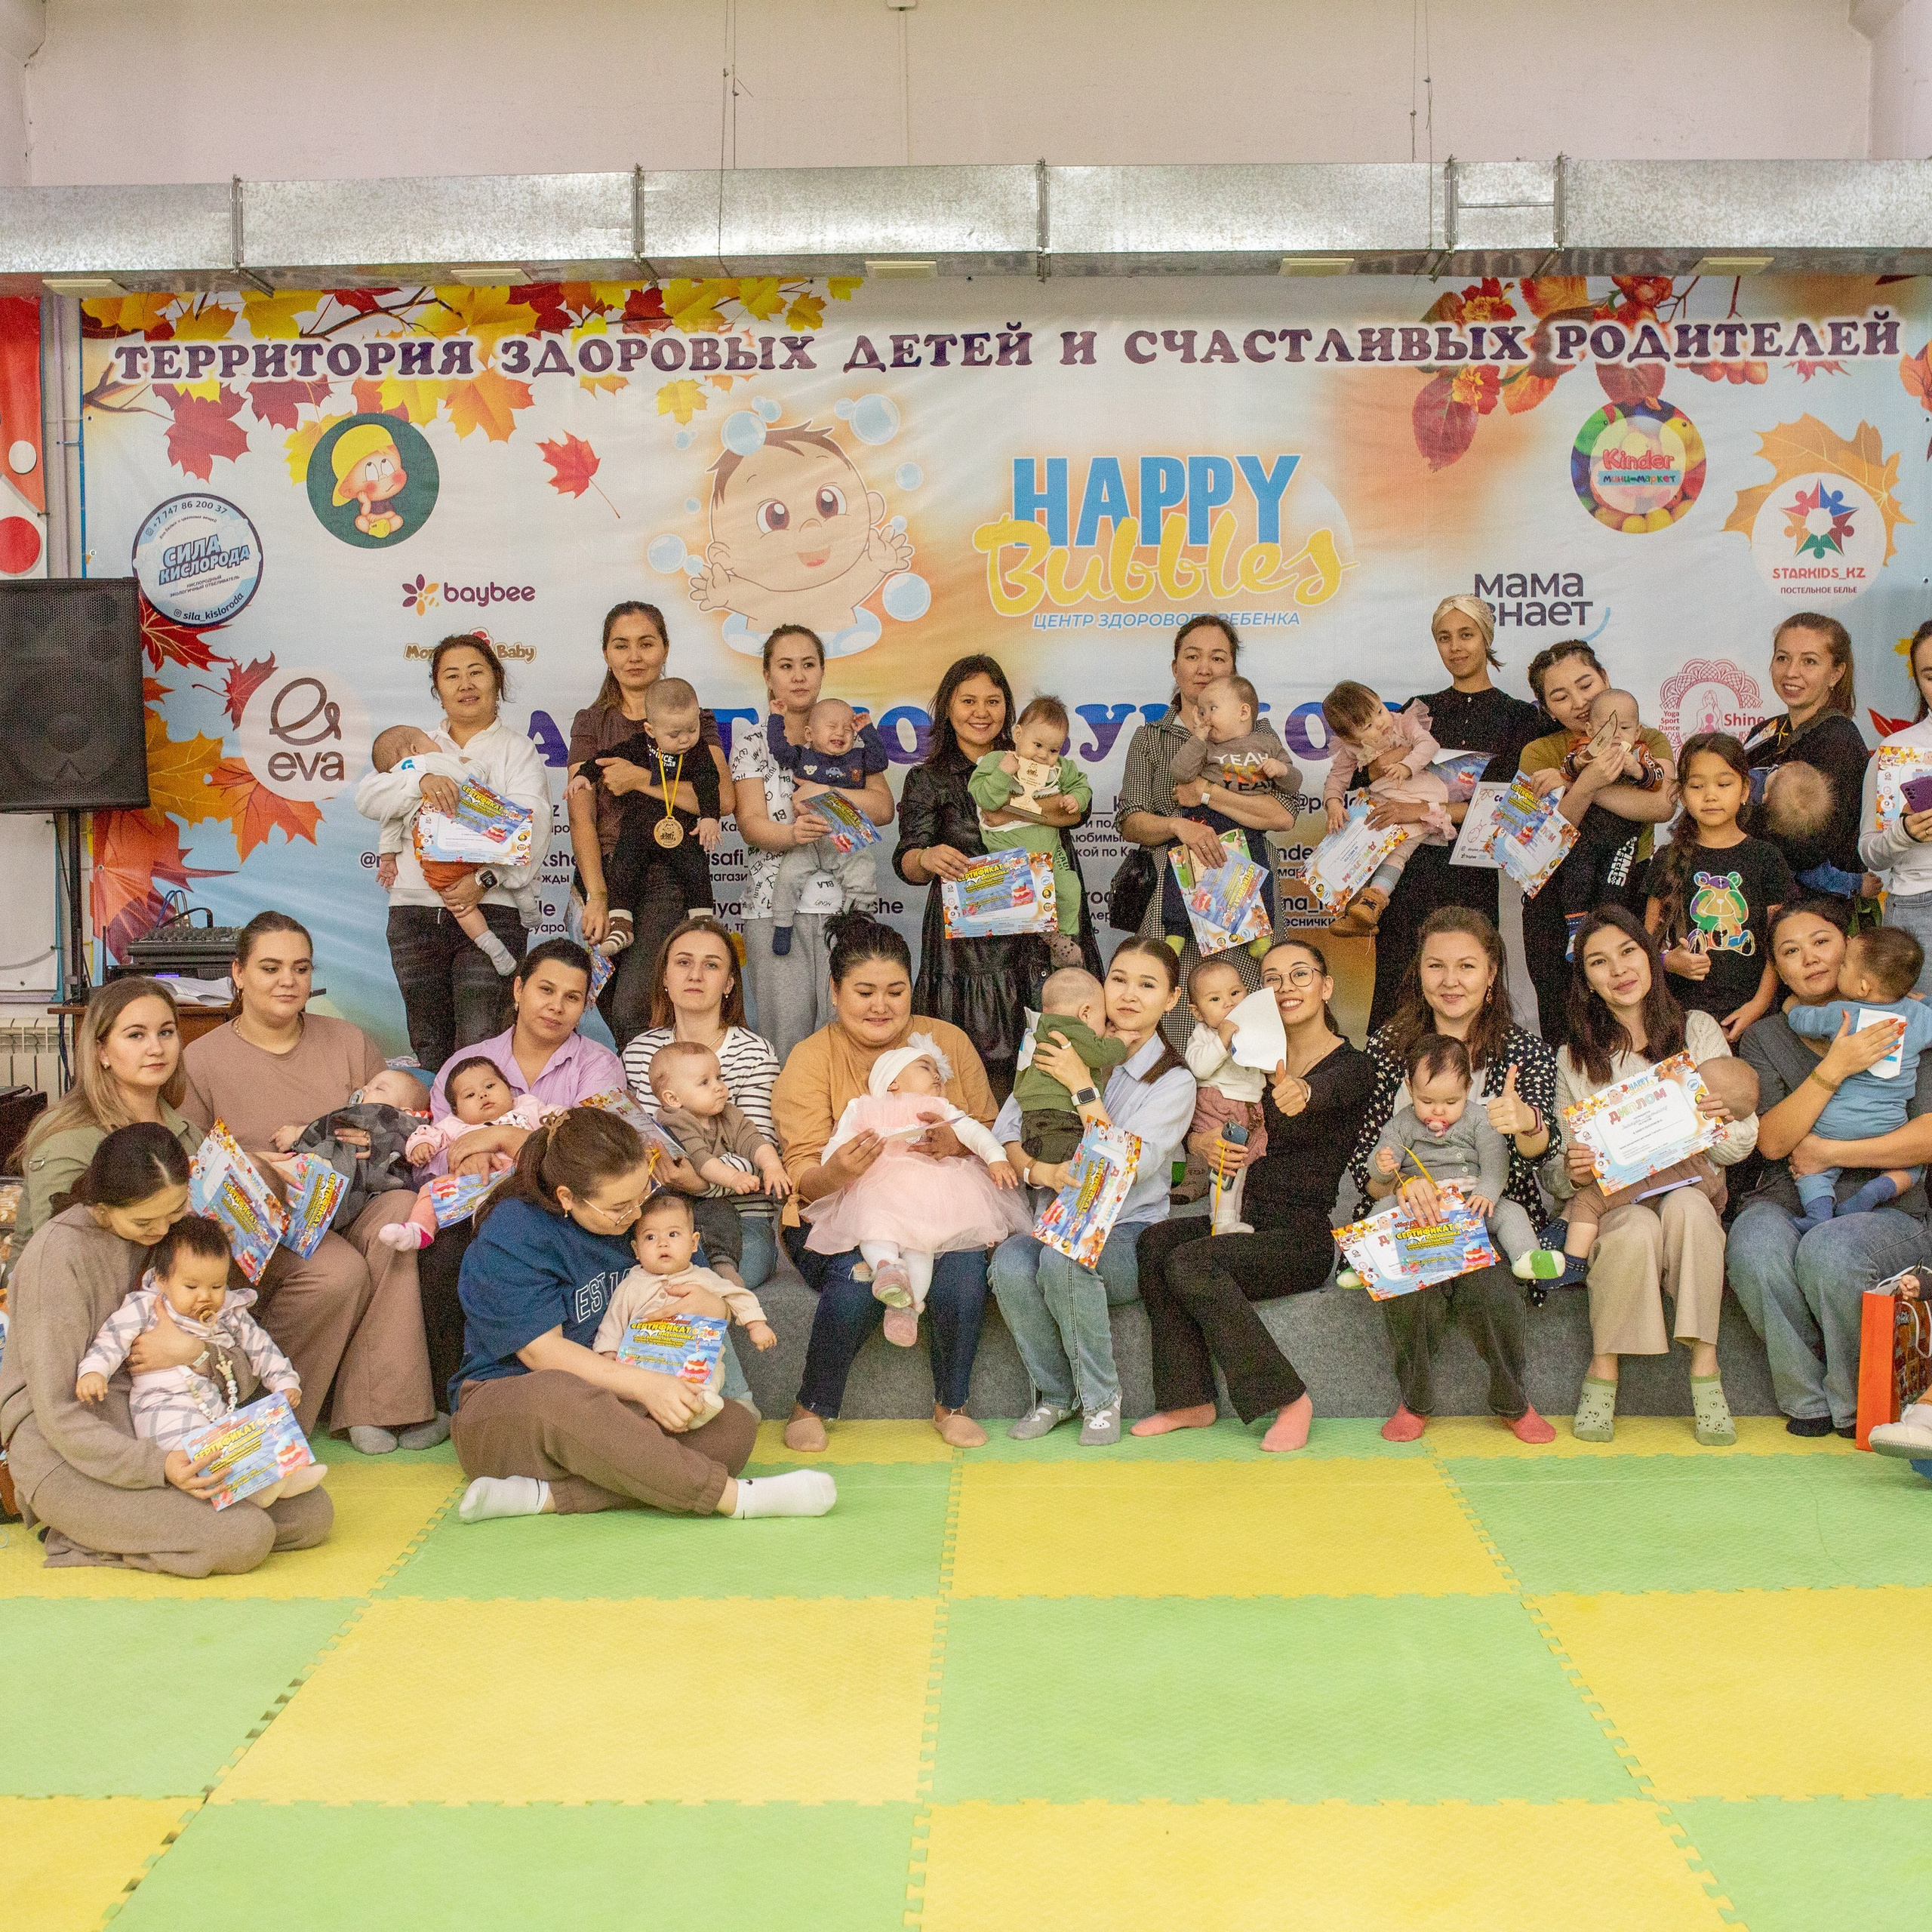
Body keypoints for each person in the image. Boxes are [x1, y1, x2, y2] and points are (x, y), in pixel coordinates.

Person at [448, 1107, 834, 1524]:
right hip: (518, 1403)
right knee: (562, 1394)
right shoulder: (513, 1234)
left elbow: (700, 1278)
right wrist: (648, 1387)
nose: (636, 1216)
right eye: (620, 1207)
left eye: (642, 1194)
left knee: (734, 1427)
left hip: (624, 1404)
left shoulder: (644, 1214)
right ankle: (736, 1499)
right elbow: (543, 1355)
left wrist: (715, 1305)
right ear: (566, 1198)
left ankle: (545, 1497)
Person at [0, 1124, 333, 1574]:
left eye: (175, 1212)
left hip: (174, 1429)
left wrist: (192, 1354)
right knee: (245, 1536)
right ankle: (75, 1532)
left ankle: (143, 1527)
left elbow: (238, 1345)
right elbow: (58, 1413)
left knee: (312, 1516)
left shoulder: (180, 1239)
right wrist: (160, 1467)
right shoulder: (57, 1258)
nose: (161, 1231)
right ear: (100, 1209)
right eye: (144, 1221)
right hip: (74, 1454)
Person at [181, 912, 440, 1457]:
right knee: (337, 1273)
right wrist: (266, 1165)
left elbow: (388, 1130)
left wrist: (343, 1142)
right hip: (268, 1230)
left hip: (354, 1202)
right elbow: (193, 1167)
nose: (287, 981)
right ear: (238, 974)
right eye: (271, 967)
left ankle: (380, 1408)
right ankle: (271, 1421)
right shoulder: (201, 1061)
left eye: (300, 968)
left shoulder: (348, 1041)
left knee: (401, 1211)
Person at [1133, 940, 1374, 1454]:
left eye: (1301, 974)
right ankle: (1187, 1399)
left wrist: (1300, 1092)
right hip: (1242, 1218)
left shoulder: (1351, 1065)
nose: (1285, 987)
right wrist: (1201, 1143)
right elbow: (1207, 1111)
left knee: (1193, 1264)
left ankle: (1289, 1398)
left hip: (1300, 1239)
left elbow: (1322, 1092)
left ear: (1326, 986)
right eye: (1272, 977)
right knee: (1156, 1244)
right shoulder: (1248, 1056)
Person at [770, 913, 997, 1451]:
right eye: (864, 991)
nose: (881, 1006)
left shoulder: (945, 1042)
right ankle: (811, 1404)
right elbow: (804, 1174)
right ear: (834, 990)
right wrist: (839, 1172)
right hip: (838, 1214)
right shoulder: (812, 1058)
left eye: (895, 991)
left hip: (942, 1209)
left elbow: (986, 1125)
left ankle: (952, 1403)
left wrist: (956, 1143)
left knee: (963, 1275)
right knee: (857, 1281)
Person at [1553, 907, 1759, 1446]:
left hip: (1691, 1186)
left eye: (1628, 952)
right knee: (1635, 1229)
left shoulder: (1696, 1029)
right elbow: (1558, 1173)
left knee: (1690, 1211)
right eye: (1599, 961)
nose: (1618, 969)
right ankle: (1603, 1370)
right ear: (1586, 980)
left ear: (1650, 956)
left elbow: (1743, 1140)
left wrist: (1716, 1122)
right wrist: (1572, 1168)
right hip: (1617, 1203)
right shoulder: (1574, 1057)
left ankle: (1706, 1370)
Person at [1727, 899, 1929, 1435]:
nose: (1810, 959)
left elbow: (1928, 1137)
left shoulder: (1904, 1019)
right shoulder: (1767, 1036)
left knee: (1831, 1249)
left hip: (1890, 1203)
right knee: (1754, 1247)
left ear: (1850, 949)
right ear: (1777, 968)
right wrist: (1834, 1068)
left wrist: (1833, 1154)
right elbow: (1772, 1142)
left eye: (1821, 942)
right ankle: (1807, 1400)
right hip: (1789, 1193)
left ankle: (1854, 1404)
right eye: (1790, 951)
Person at [989, 940, 1196, 1444]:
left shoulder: (1173, 1080)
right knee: (1009, 1266)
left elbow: (1129, 1164)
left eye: (1147, 985)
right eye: (1119, 979)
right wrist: (1041, 1172)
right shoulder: (1056, 1043)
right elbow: (1006, 1133)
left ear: (1171, 1000)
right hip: (1054, 1218)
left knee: (1063, 1261)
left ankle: (1103, 1399)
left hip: (1128, 1231)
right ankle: (1057, 1396)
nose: (1128, 995)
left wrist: (1083, 1087)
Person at [413, 938, 627, 1411]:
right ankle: (458, 1400)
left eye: (572, 997)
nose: (556, 1007)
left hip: (561, 1213)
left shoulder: (599, 1065)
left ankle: (544, 1391)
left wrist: (507, 1141)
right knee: (445, 1257)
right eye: (545, 990)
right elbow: (438, 1151)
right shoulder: (465, 1065)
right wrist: (464, 1158)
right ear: (517, 990)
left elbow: (591, 1157)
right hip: (473, 1206)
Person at [895, 654, 1100, 1097]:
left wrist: (1001, 808)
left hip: (1044, 937)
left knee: (1058, 1064)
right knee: (975, 1075)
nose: (981, 712)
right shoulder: (928, 779)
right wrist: (928, 857)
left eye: (993, 700)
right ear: (947, 708)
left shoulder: (1039, 757)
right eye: (968, 701)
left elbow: (1077, 812)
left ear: (1010, 709)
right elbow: (906, 861)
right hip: (972, 954)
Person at [353, 632, 550, 1072]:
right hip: (413, 917)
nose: (466, 684)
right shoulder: (415, 746)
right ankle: (437, 1138)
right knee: (429, 1043)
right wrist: (418, 783)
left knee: (482, 1045)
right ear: (437, 688)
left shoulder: (515, 750)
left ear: (497, 681)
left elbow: (531, 829)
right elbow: (369, 798)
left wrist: (484, 879)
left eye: (476, 672)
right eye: (452, 675)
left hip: (493, 909)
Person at [1367, 595, 1543, 1035]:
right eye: (1444, 638)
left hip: (1474, 875)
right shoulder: (1417, 709)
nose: (1455, 647)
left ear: (1486, 638)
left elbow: (1513, 804)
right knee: (1399, 987)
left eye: (1466, 635)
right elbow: (1369, 777)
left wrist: (1424, 806)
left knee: (1465, 991)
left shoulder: (1523, 719)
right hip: (1408, 871)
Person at [1117, 617, 1300, 1038]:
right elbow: (1131, 821)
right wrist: (1179, 826)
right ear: (1175, 668)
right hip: (1172, 898)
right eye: (1192, 656)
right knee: (1172, 1017)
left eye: (1218, 658)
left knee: (1253, 1018)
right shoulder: (1151, 738)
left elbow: (1283, 815)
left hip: (1247, 894)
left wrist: (1205, 794)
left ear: (1233, 670)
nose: (1204, 668)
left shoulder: (1259, 733)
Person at [75, 1211, 326, 1509]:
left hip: (214, 1406)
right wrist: (93, 1371)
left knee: (240, 1437)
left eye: (216, 1286)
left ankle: (273, 1475)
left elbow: (262, 1348)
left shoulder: (229, 1312)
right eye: (191, 1287)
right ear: (162, 1280)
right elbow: (112, 1338)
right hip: (163, 1407)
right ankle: (256, 1490)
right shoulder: (147, 1307)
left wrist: (284, 1381)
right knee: (200, 1451)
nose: (205, 1297)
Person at [566, 601, 731, 1052]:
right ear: (606, 654)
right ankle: (645, 1097)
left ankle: (647, 1103)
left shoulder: (694, 717)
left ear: (665, 649)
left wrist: (642, 779)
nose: (634, 656)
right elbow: (580, 811)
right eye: (622, 645)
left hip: (665, 873)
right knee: (607, 1000)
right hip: (602, 876)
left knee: (636, 1007)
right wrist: (597, 895)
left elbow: (723, 799)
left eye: (646, 643)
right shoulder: (592, 722)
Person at [804, 1032, 1027, 1349]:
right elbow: (839, 1145)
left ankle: (906, 1308)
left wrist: (995, 1158)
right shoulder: (864, 1107)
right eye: (925, 1067)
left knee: (922, 1246)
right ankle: (887, 1267)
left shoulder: (941, 1107)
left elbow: (974, 1131)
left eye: (938, 1071)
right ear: (892, 1082)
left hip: (931, 1193)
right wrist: (836, 1167)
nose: (937, 1075)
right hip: (879, 1188)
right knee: (874, 1226)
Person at [734, 625, 895, 1061]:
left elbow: (882, 808)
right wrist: (792, 834)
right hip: (773, 907)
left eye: (808, 664)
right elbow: (750, 823)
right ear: (768, 675)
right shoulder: (752, 742)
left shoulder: (851, 736)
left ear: (822, 671)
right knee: (784, 1045)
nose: (798, 675)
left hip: (844, 910)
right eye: (786, 666)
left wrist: (825, 795)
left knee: (848, 1043)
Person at [1514, 640, 1677, 1044]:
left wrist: (1578, 786)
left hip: (1630, 884)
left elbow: (1661, 806)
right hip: (1556, 892)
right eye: (1560, 696)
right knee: (1562, 1016)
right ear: (1547, 708)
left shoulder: (1648, 739)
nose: (1579, 702)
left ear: (1605, 678)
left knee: (1634, 1012)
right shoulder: (1538, 752)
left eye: (1585, 684)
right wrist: (1590, 781)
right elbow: (1538, 840)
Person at [621, 915, 784, 1290]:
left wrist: (698, 1181)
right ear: (664, 977)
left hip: (740, 1221)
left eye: (711, 965)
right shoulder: (639, 1051)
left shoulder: (754, 1053)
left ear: (728, 983)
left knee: (690, 1287)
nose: (695, 975)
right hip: (653, 1219)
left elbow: (759, 1155)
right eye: (683, 962)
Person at [1523, 1056, 1758, 1290]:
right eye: (1690, 1076)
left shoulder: (1700, 1142)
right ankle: (1564, 1228)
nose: (1688, 1082)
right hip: (1649, 1184)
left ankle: (1571, 1261)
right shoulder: (1570, 1058)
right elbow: (1719, 1200)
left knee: (1590, 1199)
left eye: (1696, 1084)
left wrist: (1715, 1126)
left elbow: (1733, 1156)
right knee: (1604, 1201)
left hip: (1660, 1184)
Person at [17, 977, 201, 1244]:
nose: (157, 1049)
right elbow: (64, 1248)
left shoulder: (189, 1132)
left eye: (166, 1032)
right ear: (102, 1051)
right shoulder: (66, 1138)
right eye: (136, 1035)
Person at [1644, 731, 1792, 1040]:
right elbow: (1648, 943)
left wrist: (1757, 1006)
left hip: (1753, 1015)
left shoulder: (1766, 858)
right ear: (1683, 796)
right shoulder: (1666, 858)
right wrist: (1668, 961)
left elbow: (1780, 946)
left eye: (1724, 784)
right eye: (1697, 786)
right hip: (1681, 1017)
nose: (1710, 795)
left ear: (1744, 790)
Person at [1784, 926, 1932, 1227]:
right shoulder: (1919, 1018)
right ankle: (1874, 1191)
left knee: (1811, 1169)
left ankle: (1818, 1214)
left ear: (1863, 987)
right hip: (1888, 1125)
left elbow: (1803, 1021)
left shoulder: (1842, 1013)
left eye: (1846, 964)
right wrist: (1923, 1002)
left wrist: (1791, 1008)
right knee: (1913, 1166)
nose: (1840, 966)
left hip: (1834, 1126)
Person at [592, 1190, 776, 1423]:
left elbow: (737, 1295)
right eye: (650, 1238)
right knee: (628, 1398)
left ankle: (701, 1405)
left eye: (673, 1234)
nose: (662, 1243)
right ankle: (638, 1418)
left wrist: (756, 1325)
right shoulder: (631, 1286)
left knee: (712, 1372)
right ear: (637, 1250)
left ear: (693, 1243)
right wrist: (609, 1353)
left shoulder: (702, 1278)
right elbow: (613, 1323)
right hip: (644, 1363)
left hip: (693, 1358)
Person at [366, 724, 522, 977]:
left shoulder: (395, 779)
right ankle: (527, 911)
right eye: (428, 740)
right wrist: (468, 763)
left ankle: (493, 948)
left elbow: (389, 819)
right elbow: (475, 774)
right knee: (507, 866)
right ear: (416, 749)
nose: (434, 742)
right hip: (473, 850)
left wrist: (387, 857)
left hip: (439, 865)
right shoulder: (435, 761)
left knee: (462, 908)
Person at [1742, 611, 1874, 899]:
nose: (1791, 672)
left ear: (1836, 673)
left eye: (1809, 661)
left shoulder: (1839, 741)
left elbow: (1810, 846)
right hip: (1751, 894)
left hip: (1812, 910)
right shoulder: (1764, 731)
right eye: (1783, 658)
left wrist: (1742, 819)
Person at [589, 676, 723, 949]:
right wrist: (583, 776)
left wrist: (710, 817)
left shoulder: (698, 752)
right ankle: (621, 926)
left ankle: (704, 924)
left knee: (696, 869)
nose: (685, 740)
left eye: (692, 729)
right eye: (674, 735)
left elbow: (709, 783)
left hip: (681, 830)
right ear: (651, 729)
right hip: (638, 828)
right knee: (623, 867)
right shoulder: (638, 745)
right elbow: (603, 758)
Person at [378, 1057, 560, 1251]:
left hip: (522, 1176)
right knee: (432, 1190)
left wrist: (572, 1116)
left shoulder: (528, 1106)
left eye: (490, 1086)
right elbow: (428, 1133)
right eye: (470, 1095)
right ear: (456, 1109)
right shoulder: (454, 1124)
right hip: (471, 1183)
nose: (482, 1095)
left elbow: (562, 1120)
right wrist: (421, 1145)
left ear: (508, 1087)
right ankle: (420, 1228)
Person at [968, 692, 1094, 969]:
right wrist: (1003, 773)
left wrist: (1076, 799)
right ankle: (1048, 934)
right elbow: (986, 800)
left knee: (1071, 889)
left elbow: (1082, 787)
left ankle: (1064, 939)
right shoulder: (996, 762)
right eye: (1037, 745)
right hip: (1009, 846)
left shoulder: (1061, 769)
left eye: (1053, 750)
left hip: (1049, 848)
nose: (1043, 755)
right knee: (1027, 893)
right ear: (1018, 734)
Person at [647, 1039, 792, 1280]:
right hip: (671, 1197)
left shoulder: (727, 1114)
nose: (719, 1087)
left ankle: (723, 1265)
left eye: (719, 1077)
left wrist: (772, 1166)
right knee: (663, 1223)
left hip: (708, 1199)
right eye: (705, 1082)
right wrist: (734, 1177)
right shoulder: (675, 1120)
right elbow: (701, 1161)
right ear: (673, 1099)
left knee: (722, 1214)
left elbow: (753, 1141)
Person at [1317, 678, 1450, 937]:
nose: (1381, 722)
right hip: (1381, 803)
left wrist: (1407, 765)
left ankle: (1374, 900)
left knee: (1396, 852)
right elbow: (1336, 779)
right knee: (1354, 845)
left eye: (1379, 710)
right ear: (1350, 737)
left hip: (1418, 800)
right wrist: (1333, 804)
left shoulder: (1404, 722)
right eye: (1369, 725)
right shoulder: (1351, 749)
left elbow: (1429, 745)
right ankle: (1357, 912)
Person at [764, 697, 889, 954]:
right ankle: (783, 925)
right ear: (810, 733)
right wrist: (777, 717)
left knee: (863, 875)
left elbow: (880, 762)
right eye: (832, 726)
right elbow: (778, 749)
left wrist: (867, 730)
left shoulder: (859, 758)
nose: (840, 732)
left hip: (847, 832)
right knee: (787, 876)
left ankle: (860, 927)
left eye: (847, 728)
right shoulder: (802, 755)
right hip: (809, 834)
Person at [1557, 688, 1671, 962]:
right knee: (1576, 879)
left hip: (1625, 839)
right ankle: (1576, 934)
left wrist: (1636, 770)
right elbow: (1567, 768)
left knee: (1614, 888)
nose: (1616, 735)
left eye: (1625, 727)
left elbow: (1657, 781)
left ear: (1638, 732)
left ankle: (1610, 939)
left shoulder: (1642, 752)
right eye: (1606, 728)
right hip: (1586, 836)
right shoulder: (1584, 749)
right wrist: (1584, 763)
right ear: (1589, 728)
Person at [1858, 618, 1932, 990]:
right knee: (1919, 1034)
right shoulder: (1894, 753)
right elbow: (1870, 854)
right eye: (1931, 675)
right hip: (1916, 907)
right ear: (1918, 681)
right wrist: (1904, 834)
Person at [1183, 955, 1269, 1233]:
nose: (1229, 1003)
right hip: (1218, 1106)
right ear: (1198, 1012)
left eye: (1235, 993)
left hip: (1248, 1108)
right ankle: (1221, 1221)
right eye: (1215, 999)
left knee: (1239, 1167)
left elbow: (1266, 1066)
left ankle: (1230, 1219)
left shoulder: (1251, 1031)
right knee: (1226, 1167)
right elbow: (1198, 1066)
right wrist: (1222, 1039)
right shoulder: (1204, 1034)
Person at [1011, 967, 1129, 1163]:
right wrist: (1121, 1041)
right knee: (1079, 1162)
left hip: (1031, 1119)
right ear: (1085, 1013)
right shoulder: (1074, 1028)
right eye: (1103, 1019)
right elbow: (1100, 1054)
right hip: (1060, 1116)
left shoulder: (1041, 1029)